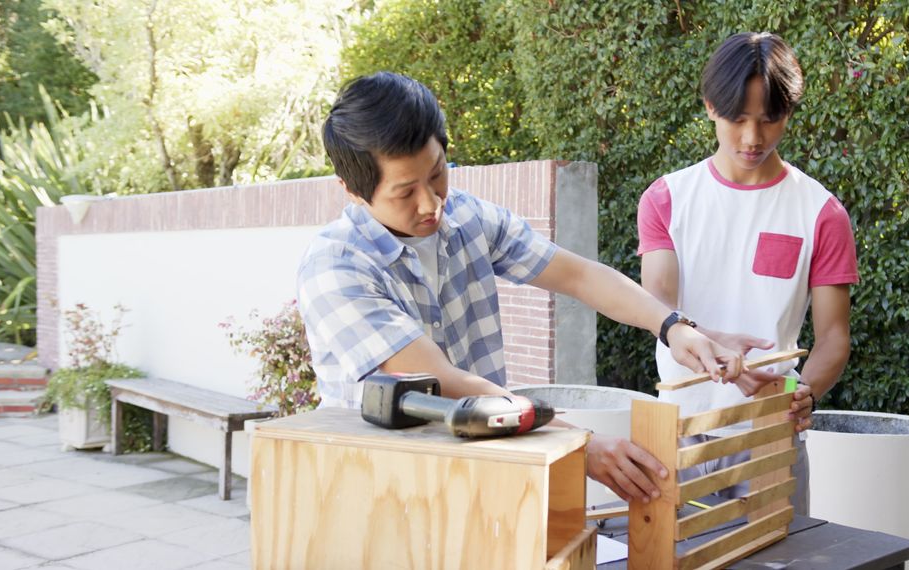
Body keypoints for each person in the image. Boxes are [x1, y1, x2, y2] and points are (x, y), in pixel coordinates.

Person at [297, 71, 792, 505]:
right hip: (375, 486)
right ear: (353, 190)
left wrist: (675, 327)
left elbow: (579, 275)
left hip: (478, 470)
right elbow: (444, 380)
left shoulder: (468, 218)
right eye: (405, 192)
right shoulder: (337, 268)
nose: (432, 203)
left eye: (438, 173)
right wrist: (573, 441)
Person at [637, 32, 857, 514]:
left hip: (768, 431)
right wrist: (712, 346)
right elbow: (658, 306)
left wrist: (806, 394)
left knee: (780, 561)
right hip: (678, 429)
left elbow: (834, 337)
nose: (752, 138)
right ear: (711, 106)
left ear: (789, 113)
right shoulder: (667, 199)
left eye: (769, 120)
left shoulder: (822, 213)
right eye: (738, 119)